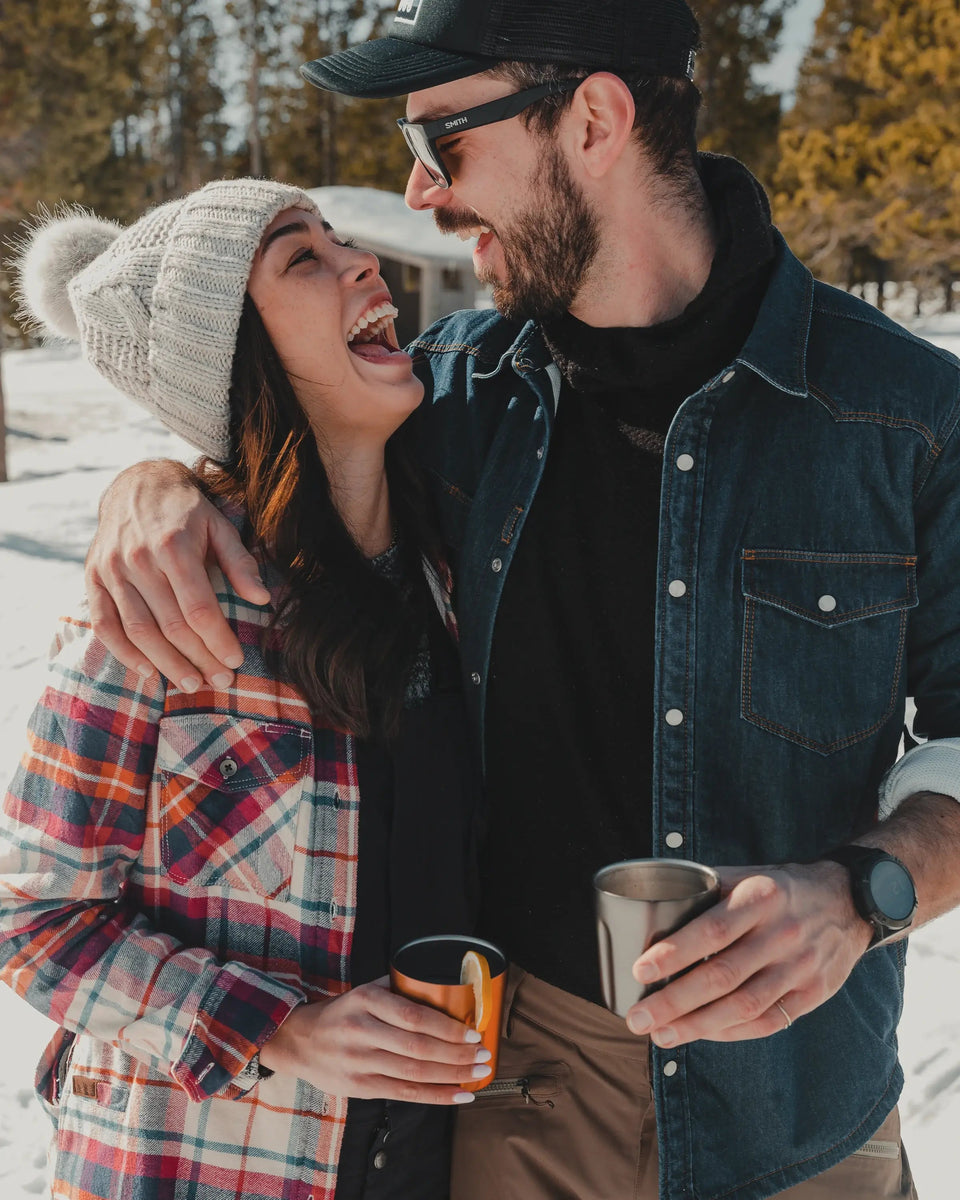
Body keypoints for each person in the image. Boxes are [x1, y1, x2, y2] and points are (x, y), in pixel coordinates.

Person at [79, 1, 960, 1197]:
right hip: (523, 1091)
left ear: (594, 118)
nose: (421, 195)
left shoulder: (908, 415)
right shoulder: (448, 403)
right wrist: (155, 485)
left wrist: (863, 895)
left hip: (804, 1102)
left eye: (443, 142)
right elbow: (285, 434)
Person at [0, 177, 490, 1200]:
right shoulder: (161, 604)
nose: (366, 265)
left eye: (341, 240)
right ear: (233, 354)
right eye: (300, 259)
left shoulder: (453, 585)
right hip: (212, 1168)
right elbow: (32, 919)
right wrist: (284, 1031)